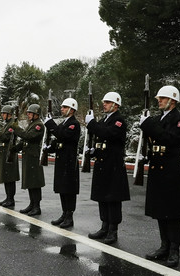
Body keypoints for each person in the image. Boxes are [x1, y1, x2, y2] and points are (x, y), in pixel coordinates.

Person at [139, 85, 180, 268]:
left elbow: (172, 140)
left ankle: (174, 250)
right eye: (158, 98)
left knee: (174, 212)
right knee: (161, 209)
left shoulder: (179, 119)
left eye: (162, 98)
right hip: (158, 167)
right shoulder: (158, 118)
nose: (159, 101)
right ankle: (164, 246)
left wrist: (149, 126)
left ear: (173, 100)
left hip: (171, 168)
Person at [85, 92, 130, 244]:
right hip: (103, 164)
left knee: (113, 199)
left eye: (107, 102)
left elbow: (107, 134)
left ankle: (113, 230)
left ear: (116, 105)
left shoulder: (118, 121)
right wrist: (94, 151)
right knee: (102, 197)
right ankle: (104, 226)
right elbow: (102, 140)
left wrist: (91, 124)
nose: (104, 104)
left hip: (113, 166)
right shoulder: (105, 119)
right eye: (104, 101)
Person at [44, 98, 81, 228]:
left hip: (69, 162)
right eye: (62, 107)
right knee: (62, 189)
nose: (62, 109)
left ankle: (69, 216)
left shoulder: (73, 124)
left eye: (65, 107)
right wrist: (49, 148)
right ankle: (64, 213)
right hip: (62, 161)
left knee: (69, 190)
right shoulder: (64, 123)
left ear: (71, 109)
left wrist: (50, 124)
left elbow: (63, 135)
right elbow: (58, 140)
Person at [12, 104, 45, 216]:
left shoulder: (39, 125)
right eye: (28, 113)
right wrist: (16, 148)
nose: (29, 115)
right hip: (28, 156)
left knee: (35, 182)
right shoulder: (32, 124)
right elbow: (25, 140)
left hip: (34, 156)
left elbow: (28, 136)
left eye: (31, 113)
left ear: (36, 114)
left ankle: (37, 206)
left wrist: (16, 128)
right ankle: (32, 204)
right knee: (30, 181)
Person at [0, 105, 20, 208]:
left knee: (10, 177)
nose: (3, 115)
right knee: (6, 176)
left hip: (10, 153)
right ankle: (8, 197)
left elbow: (4, 138)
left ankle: (11, 199)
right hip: (5, 152)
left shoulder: (12, 124)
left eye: (4, 113)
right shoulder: (7, 124)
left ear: (9, 114)